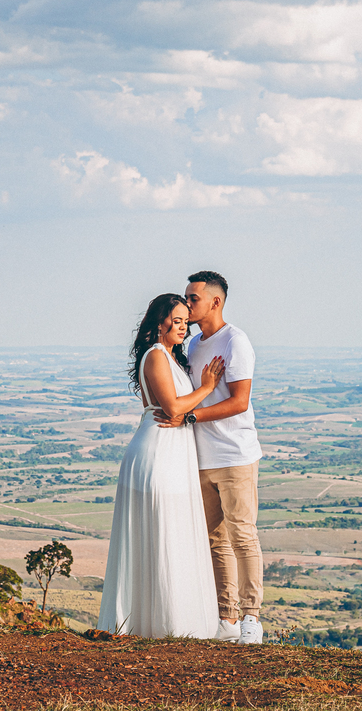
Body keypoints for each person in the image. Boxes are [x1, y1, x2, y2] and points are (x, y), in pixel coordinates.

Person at [96, 293, 225, 638]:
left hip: (170, 452)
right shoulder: (156, 356)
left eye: (186, 321)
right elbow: (172, 409)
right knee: (162, 533)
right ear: (159, 322)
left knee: (169, 534)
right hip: (157, 455)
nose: (184, 327)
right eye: (177, 320)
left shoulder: (168, 357)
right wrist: (208, 387)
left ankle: (166, 623)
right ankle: (160, 625)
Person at [156, 270, 263, 644]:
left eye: (194, 298)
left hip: (234, 455)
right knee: (215, 541)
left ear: (215, 302)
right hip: (200, 458)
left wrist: (188, 417)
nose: (187, 305)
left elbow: (239, 402)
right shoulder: (195, 343)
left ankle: (251, 618)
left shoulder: (236, 342)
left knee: (243, 536)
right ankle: (226, 619)